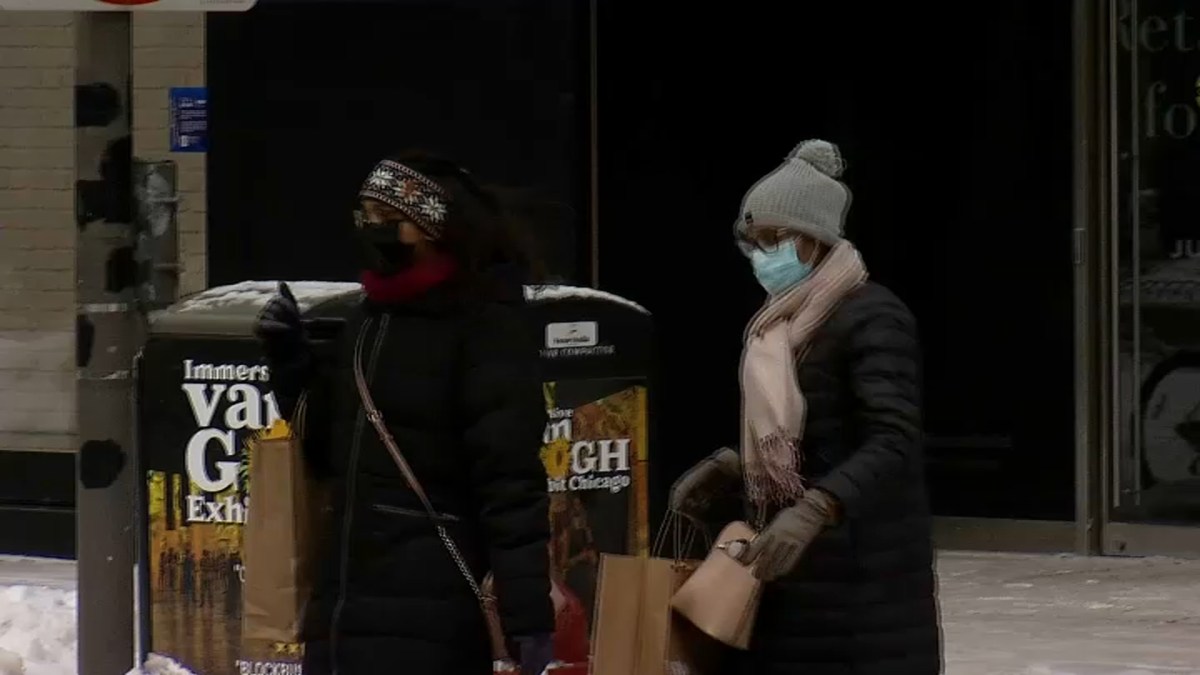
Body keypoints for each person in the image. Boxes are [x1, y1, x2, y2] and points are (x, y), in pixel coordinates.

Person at [254, 152, 555, 675]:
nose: (371, 228)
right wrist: (291, 363)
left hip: (431, 613)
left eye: (388, 217)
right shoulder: (367, 319)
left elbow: (510, 484)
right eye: (366, 214)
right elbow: (328, 451)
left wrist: (526, 614)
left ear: (433, 227)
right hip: (344, 609)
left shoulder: (483, 328)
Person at [669, 140, 942, 674]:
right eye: (752, 242)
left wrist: (818, 508)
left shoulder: (873, 316)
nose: (762, 254)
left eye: (775, 239)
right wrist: (735, 466)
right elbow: (806, 440)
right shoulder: (779, 323)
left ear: (817, 237)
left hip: (862, 583)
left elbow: (893, 439)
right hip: (789, 580)